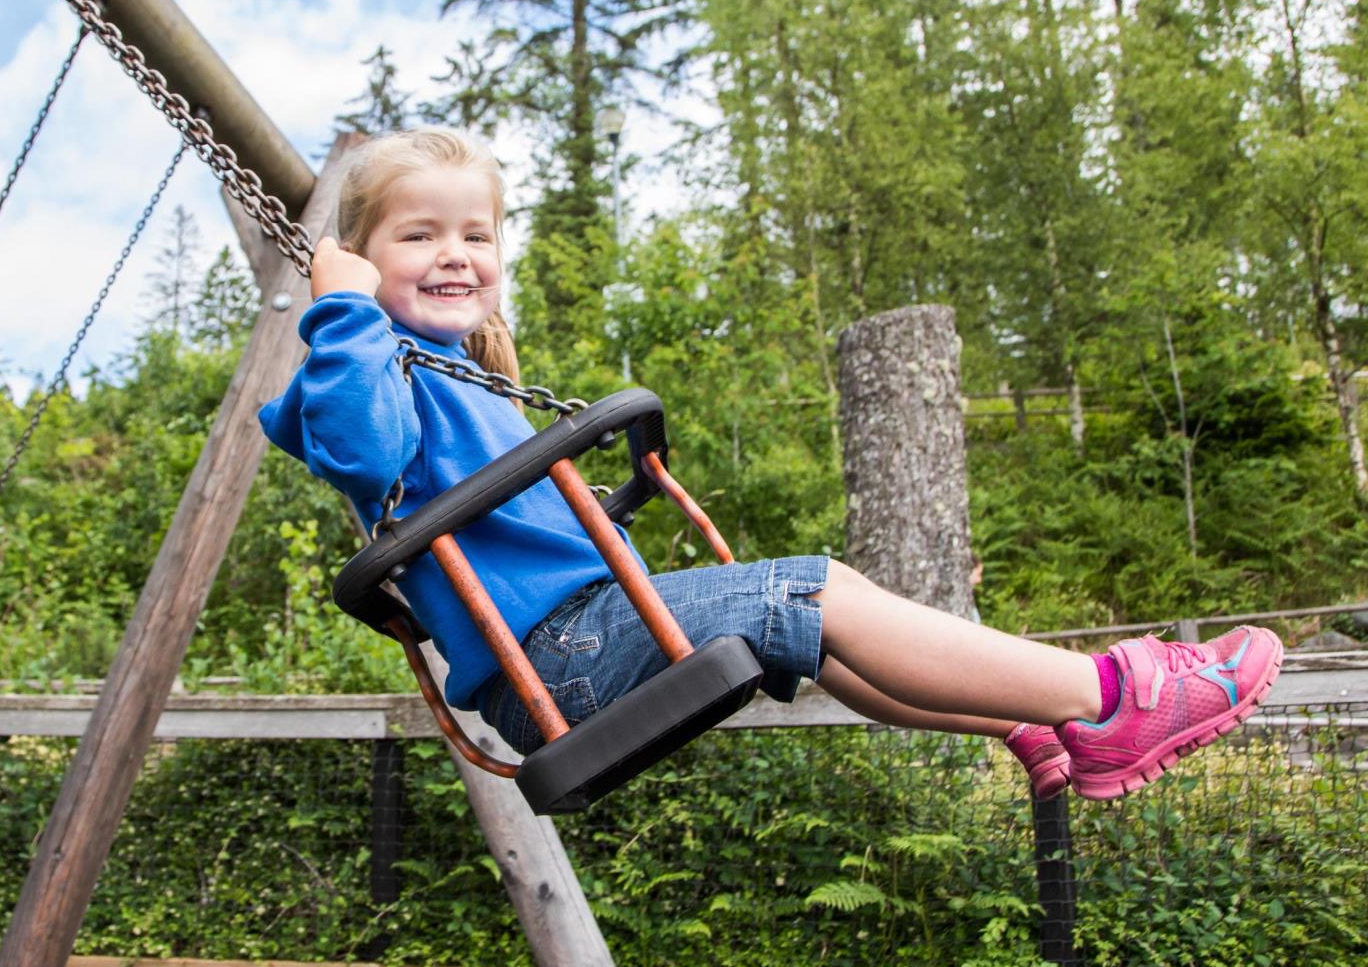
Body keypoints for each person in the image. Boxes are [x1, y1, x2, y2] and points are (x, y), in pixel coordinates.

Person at [259, 128, 1280, 808]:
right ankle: (1115, 692)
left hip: (584, 635)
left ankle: (1036, 722)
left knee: (824, 644)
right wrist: (340, 304)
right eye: (419, 234)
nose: (455, 254)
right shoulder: (359, 370)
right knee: (818, 590)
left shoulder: (461, 378)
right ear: (355, 257)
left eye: (476, 234)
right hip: (560, 657)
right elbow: (359, 447)